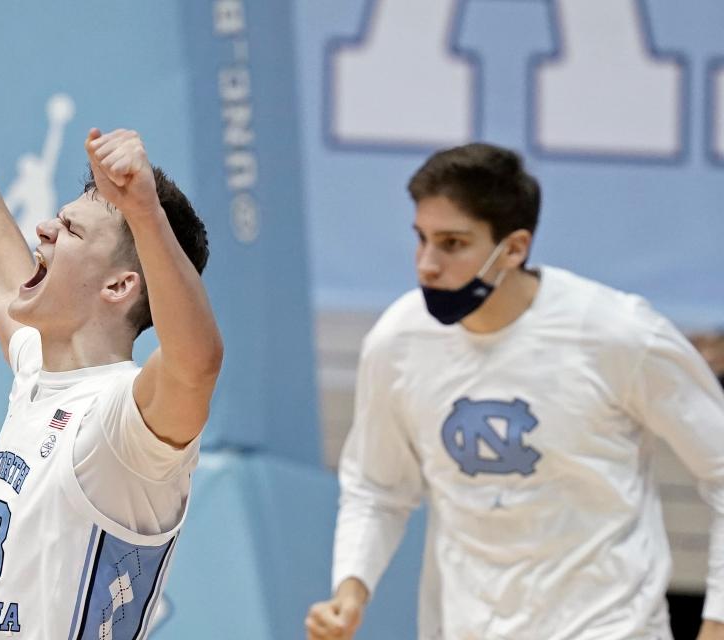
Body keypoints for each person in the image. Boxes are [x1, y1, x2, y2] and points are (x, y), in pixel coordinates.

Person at [305, 143, 724, 640]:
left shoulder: (618, 333)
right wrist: (351, 590)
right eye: (421, 239)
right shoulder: (398, 341)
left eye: (452, 244)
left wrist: (716, 623)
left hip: (611, 627)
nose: (426, 265)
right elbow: (377, 489)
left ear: (515, 248)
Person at [0, 61, 223, 639]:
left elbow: (195, 365)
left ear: (120, 286)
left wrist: (145, 213)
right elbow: (3, 283)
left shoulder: (122, 421)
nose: (44, 229)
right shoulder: (39, 371)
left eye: (71, 231)